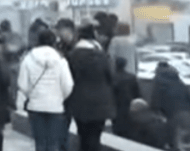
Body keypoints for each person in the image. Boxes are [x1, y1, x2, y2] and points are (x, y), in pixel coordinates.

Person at [17, 30, 74, 151]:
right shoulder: (61, 60)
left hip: (35, 106)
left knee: (40, 143)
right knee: (53, 143)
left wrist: (31, 94)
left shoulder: (28, 59)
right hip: (56, 107)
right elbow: (68, 84)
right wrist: (60, 97)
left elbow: (22, 84)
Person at [66, 24, 116, 151]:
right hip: (101, 102)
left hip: (80, 102)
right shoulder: (102, 55)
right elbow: (111, 77)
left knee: (83, 135)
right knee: (95, 136)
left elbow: (68, 79)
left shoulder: (72, 56)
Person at [151, 61, 190, 150]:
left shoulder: (158, 80)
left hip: (172, 114)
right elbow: (188, 95)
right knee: (183, 139)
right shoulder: (177, 79)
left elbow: (156, 98)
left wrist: (155, 109)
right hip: (186, 112)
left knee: (174, 140)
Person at [53, 18, 76, 151]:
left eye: (60, 30)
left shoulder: (76, 46)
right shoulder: (59, 45)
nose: (58, 33)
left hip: (70, 92)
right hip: (60, 92)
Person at [111, 57, 141, 139]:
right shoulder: (131, 77)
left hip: (116, 104)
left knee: (117, 125)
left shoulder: (112, 77)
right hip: (129, 103)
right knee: (128, 125)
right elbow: (137, 92)